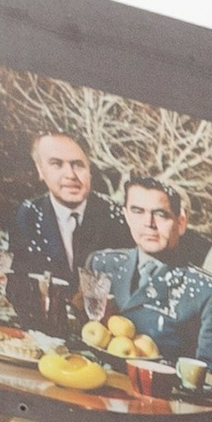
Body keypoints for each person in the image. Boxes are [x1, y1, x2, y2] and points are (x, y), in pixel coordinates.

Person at [87, 179, 212, 373]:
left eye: (161, 214)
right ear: (126, 215)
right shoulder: (102, 264)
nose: (149, 223)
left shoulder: (206, 293)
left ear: (180, 223)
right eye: (138, 211)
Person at [8, 130, 125, 323]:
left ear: (89, 168)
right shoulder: (28, 214)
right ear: (40, 170)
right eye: (57, 164)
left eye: (78, 165)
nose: (70, 175)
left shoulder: (115, 217)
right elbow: (18, 287)